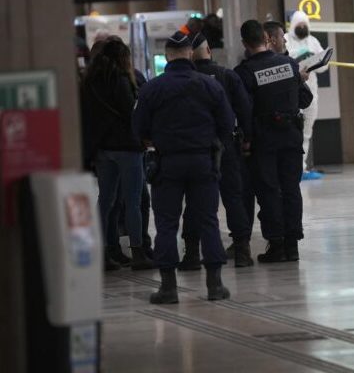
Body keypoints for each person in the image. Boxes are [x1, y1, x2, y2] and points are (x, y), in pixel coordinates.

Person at [132, 31, 234, 304]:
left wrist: (152, 140)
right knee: (208, 220)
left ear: (167, 56)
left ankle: (168, 288)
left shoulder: (152, 88)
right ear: (190, 53)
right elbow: (227, 123)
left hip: (167, 163)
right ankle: (215, 285)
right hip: (203, 162)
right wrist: (213, 143)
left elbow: (138, 127)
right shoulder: (209, 86)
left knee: (166, 224)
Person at [234, 20, 313, 263]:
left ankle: (276, 245)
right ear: (266, 39)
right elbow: (305, 99)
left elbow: (244, 111)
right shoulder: (289, 64)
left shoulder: (244, 73)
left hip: (263, 142)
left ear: (245, 43)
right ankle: (292, 246)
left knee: (269, 192)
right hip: (291, 138)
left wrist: (246, 141)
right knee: (291, 190)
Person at [177, 32, 254, 269]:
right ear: (209, 51)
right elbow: (244, 110)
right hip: (226, 146)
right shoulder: (227, 76)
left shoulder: (183, 79)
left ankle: (191, 254)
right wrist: (247, 139)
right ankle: (242, 251)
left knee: (194, 201)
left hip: (195, 149)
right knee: (233, 197)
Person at [81, 38, 153, 271]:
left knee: (106, 201)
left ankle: (103, 252)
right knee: (132, 202)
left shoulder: (89, 83)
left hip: (103, 150)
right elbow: (132, 112)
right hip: (127, 148)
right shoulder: (122, 81)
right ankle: (138, 252)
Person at [285, 11, 328, 180]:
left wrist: (313, 60)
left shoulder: (313, 41)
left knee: (306, 133)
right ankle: (293, 168)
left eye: (304, 25)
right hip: (293, 94)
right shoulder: (286, 40)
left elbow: (324, 65)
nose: (302, 28)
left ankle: (302, 169)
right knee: (294, 133)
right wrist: (299, 58)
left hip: (311, 94)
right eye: (299, 25)